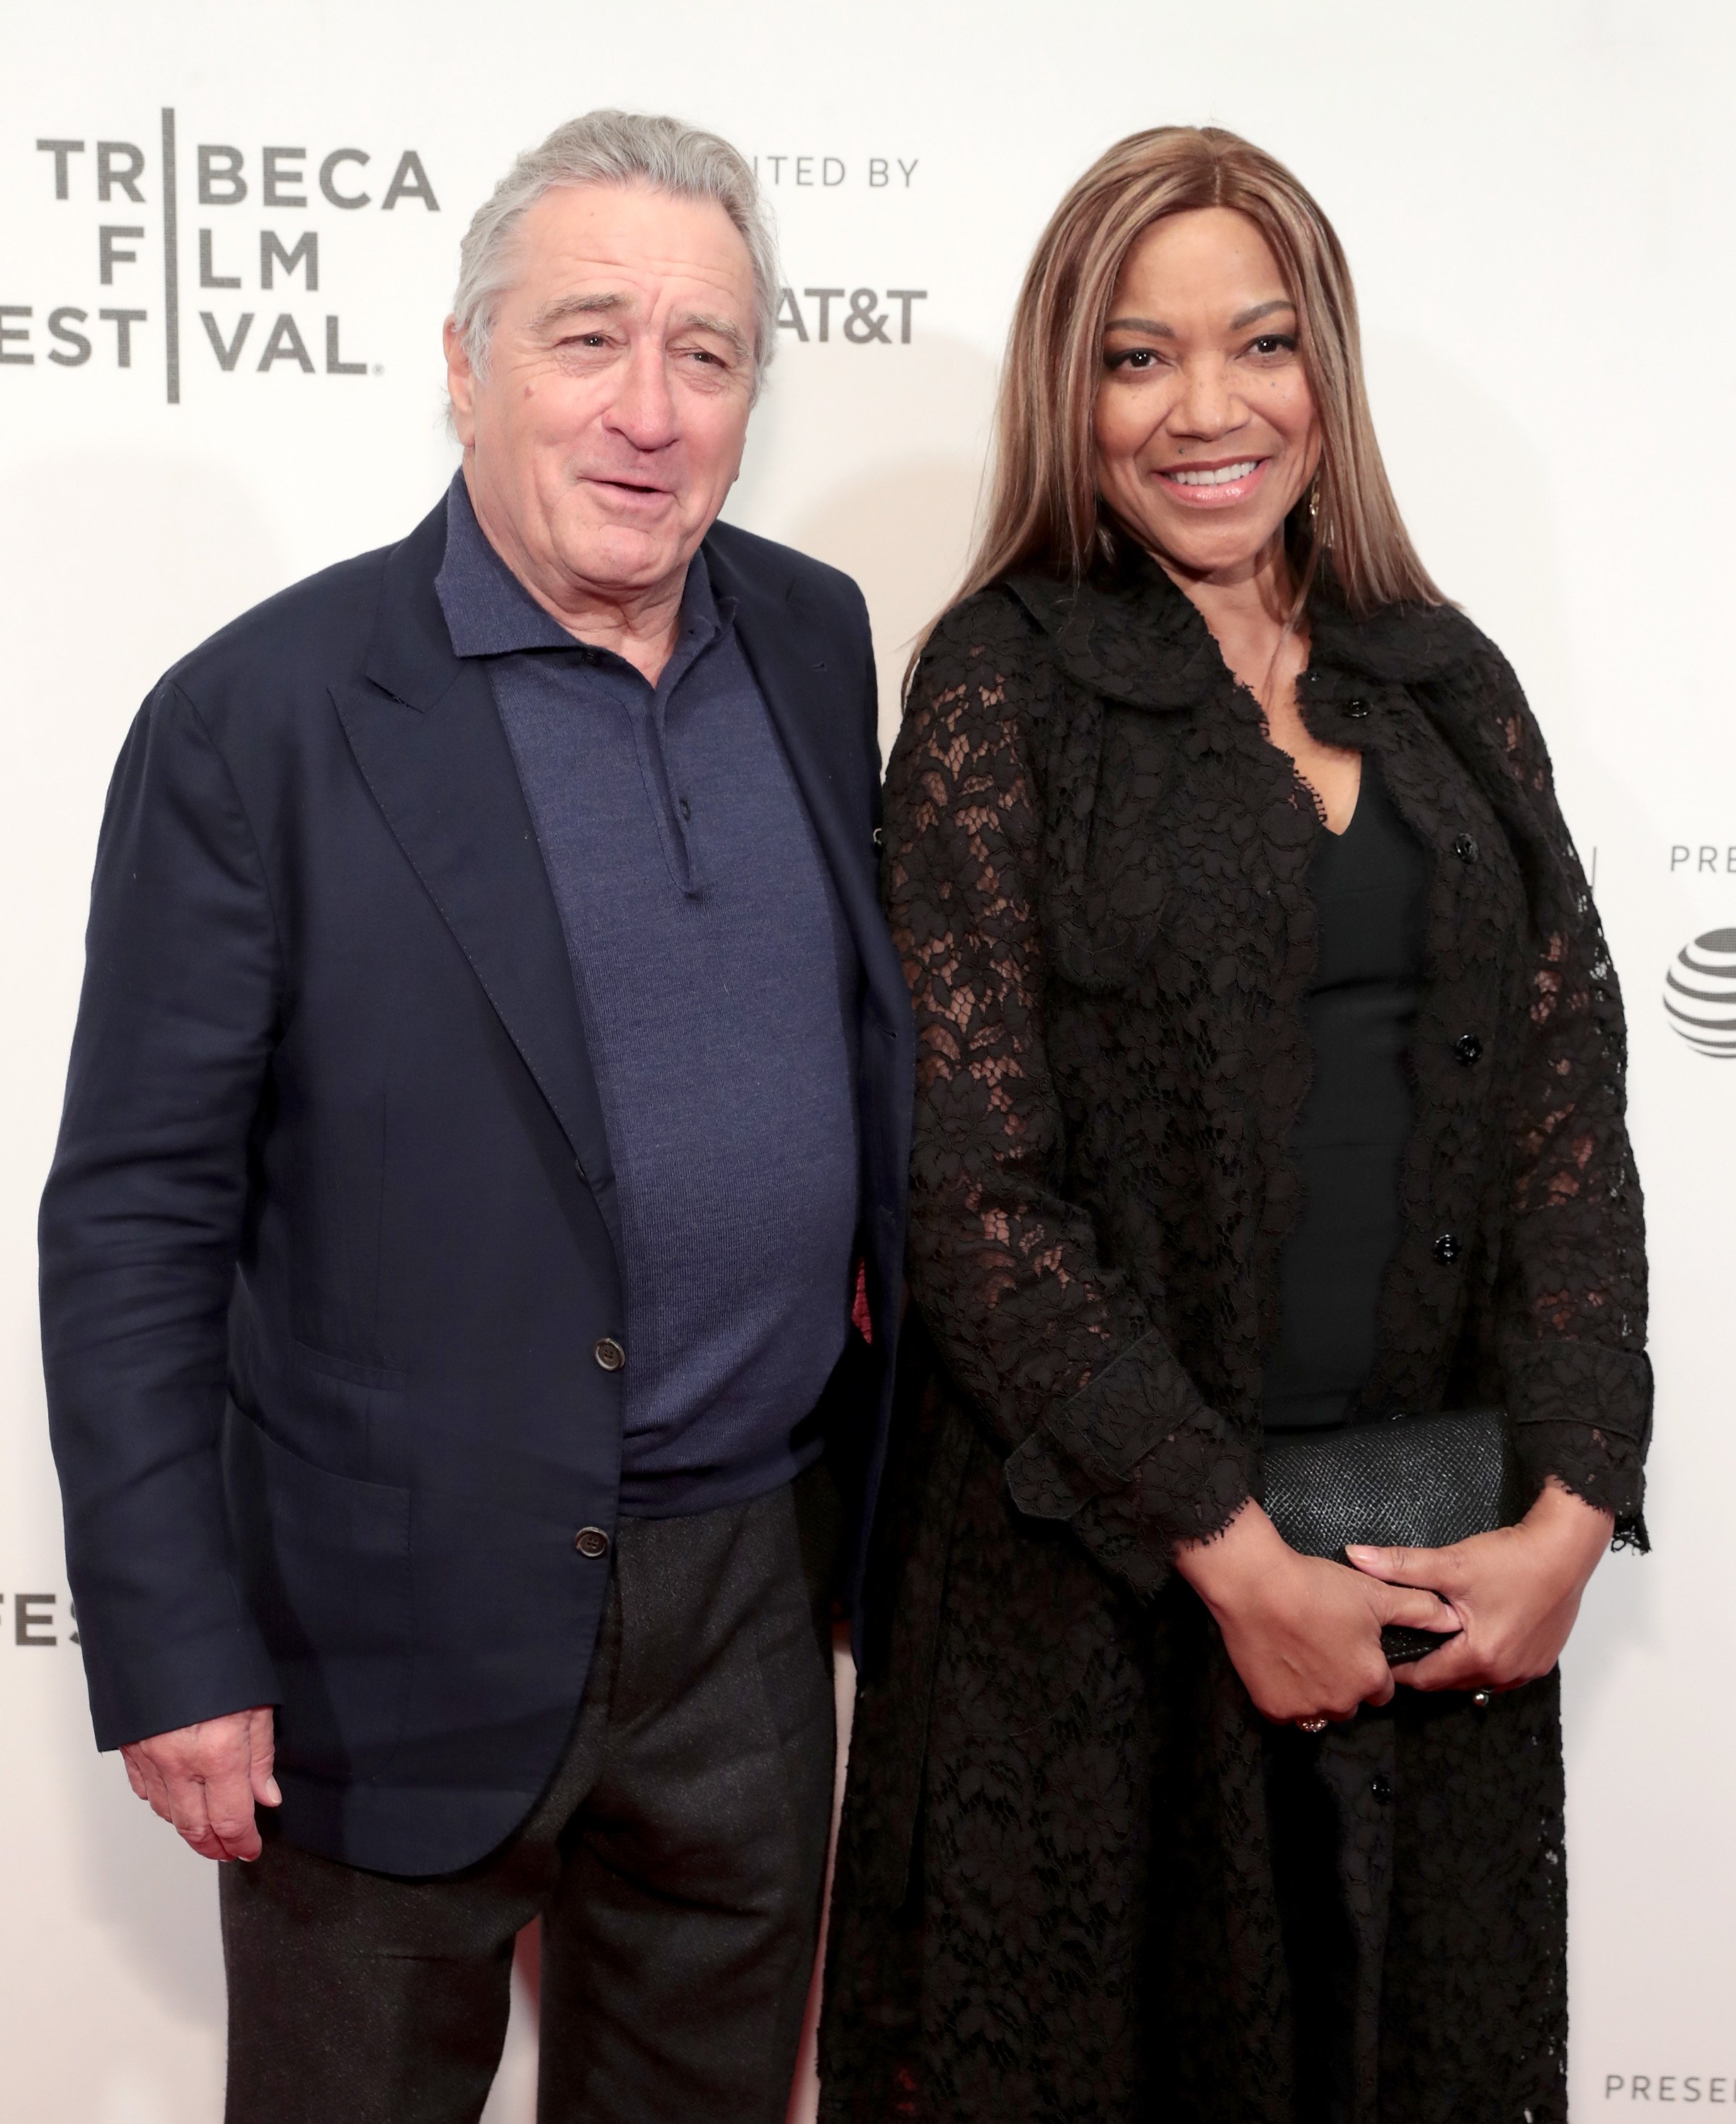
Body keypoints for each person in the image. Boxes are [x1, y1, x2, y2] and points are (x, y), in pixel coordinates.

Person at [40, 109, 912, 2124]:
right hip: (386, 1626)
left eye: (706, 356)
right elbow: (137, 1217)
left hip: (746, 1607)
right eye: (586, 338)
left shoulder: (810, 635)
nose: (648, 410)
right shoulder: (258, 714)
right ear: (462, 362)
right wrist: (174, 1645)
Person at [820, 125, 1650, 2124]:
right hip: (1107, 1594)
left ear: (1323, 370)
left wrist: (1576, 1507)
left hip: (1429, 1587)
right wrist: (1229, 1544)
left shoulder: (1446, 682)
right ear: (1066, 390)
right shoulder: (1002, 690)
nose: (1207, 410)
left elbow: (1566, 1103)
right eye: (1134, 357)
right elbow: (970, 1191)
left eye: (1258, 344)